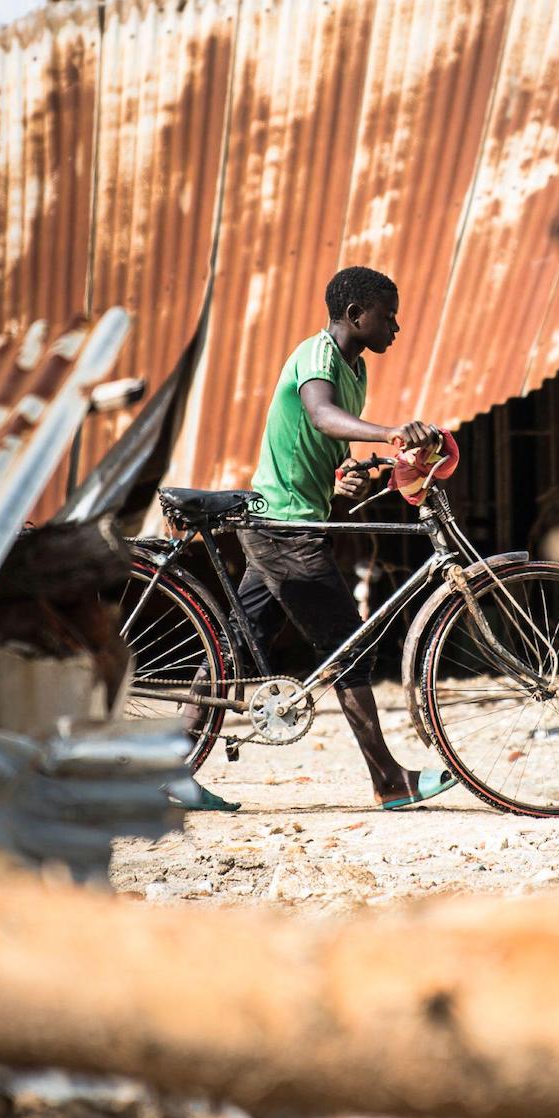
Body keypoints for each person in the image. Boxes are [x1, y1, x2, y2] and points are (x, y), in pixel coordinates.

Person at [228, 265, 457, 811]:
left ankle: (169, 770)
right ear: (356, 315)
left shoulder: (354, 371)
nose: (396, 328)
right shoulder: (319, 356)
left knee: (231, 649)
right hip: (284, 528)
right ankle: (389, 780)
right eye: (388, 316)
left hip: (290, 518)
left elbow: (325, 445)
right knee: (348, 650)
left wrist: (345, 475)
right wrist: (391, 431)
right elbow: (322, 416)